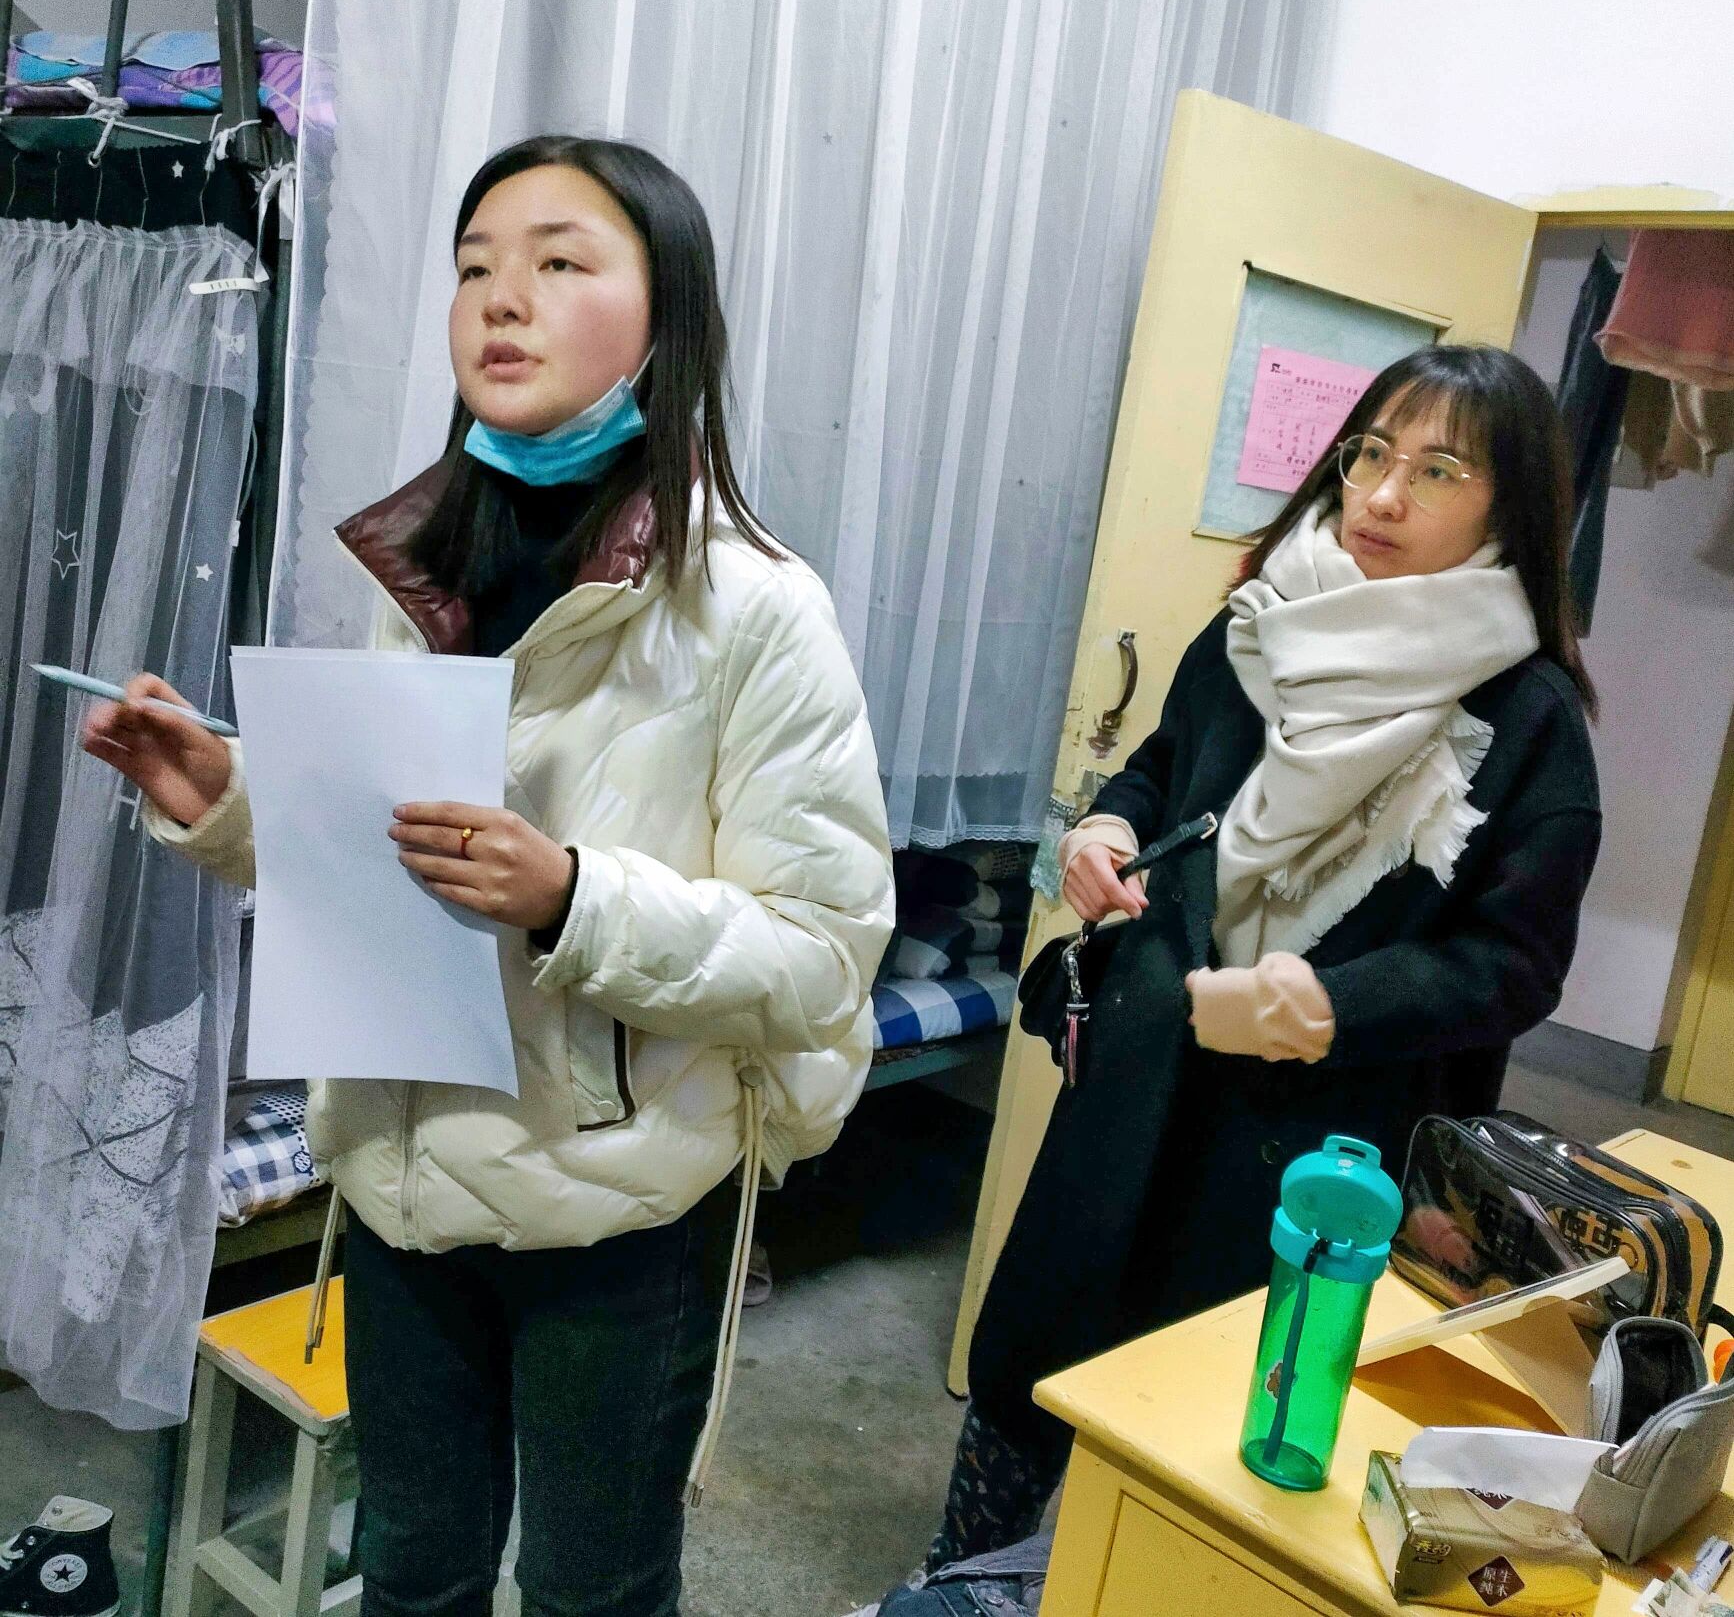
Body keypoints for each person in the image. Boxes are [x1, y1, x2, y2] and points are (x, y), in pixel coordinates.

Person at [80, 136, 893, 1617]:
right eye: (473, 268)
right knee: (411, 1572)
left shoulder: (755, 609)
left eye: (559, 261)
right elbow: (396, 853)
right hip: (400, 1186)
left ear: (668, 315)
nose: (500, 299)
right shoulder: (423, 563)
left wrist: (575, 897)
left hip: (619, 1218)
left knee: (592, 1592)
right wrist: (230, 804)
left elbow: (825, 956)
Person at [924, 343, 1603, 1571]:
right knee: (1037, 1359)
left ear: (1512, 509)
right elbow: (1161, 766)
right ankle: (958, 1580)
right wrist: (1107, 826)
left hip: (1319, 1148)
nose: (1381, 495)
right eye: (1369, 454)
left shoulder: (1531, 721)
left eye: (1438, 470)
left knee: (1212, 1430)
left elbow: (1516, 964)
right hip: (1140, 1074)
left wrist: (1333, 1005)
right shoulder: (1261, 625)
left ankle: (1111, 1584)